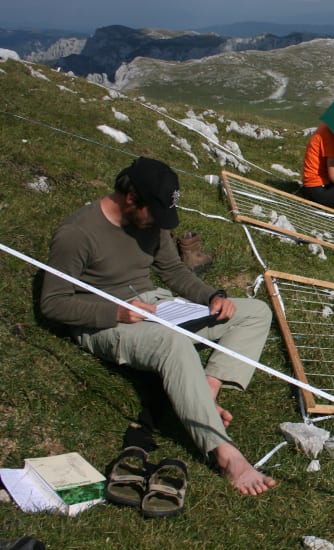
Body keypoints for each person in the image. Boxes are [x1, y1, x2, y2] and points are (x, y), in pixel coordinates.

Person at [40, 157, 276, 496]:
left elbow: (173, 271)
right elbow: (53, 302)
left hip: (158, 306)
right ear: (132, 199)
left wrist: (214, 296)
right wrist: (116, 312)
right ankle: (224, 453)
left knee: (254, 311)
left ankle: (206, 392)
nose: (159, 225)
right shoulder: (76, 234)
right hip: (106, 321)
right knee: (173, 344)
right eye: (155, 215)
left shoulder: (154, 221)